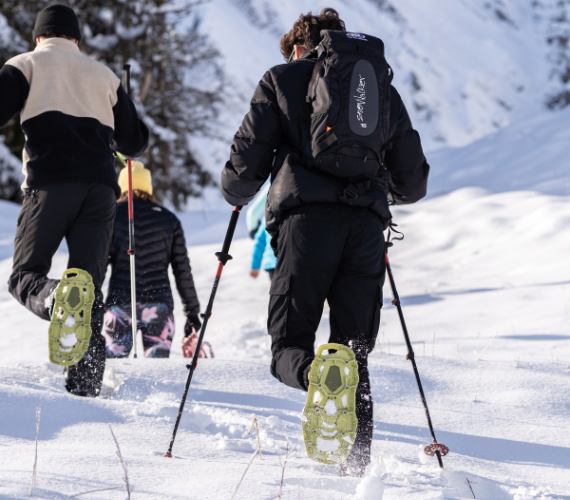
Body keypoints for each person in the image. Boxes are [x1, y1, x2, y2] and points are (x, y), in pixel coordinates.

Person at [220, 8, 429, 476]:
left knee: (288, 345)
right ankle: (356, 471)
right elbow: (412, 183)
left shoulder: (282, 78)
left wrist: (236, 189)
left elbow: (244, 171)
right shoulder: (380, 91)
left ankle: (317, 377)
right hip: (365, 231)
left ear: (299, 47)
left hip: (305, 228)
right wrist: (375, 191)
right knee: (353, 352)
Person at [0, 4, 149, 397]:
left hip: (50, 185)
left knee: (24, 277)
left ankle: (53, 298)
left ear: (38, 37)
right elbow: (135, 143)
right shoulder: (103, 75)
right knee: (88, 290)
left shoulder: (25, 64)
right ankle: (84, 387)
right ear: (77, 39)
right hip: (101, 191)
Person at [103, 161, 204, 359]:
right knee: (157, 373)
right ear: (148, 186)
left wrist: (92, 307)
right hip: (159, 306)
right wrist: (192, 313)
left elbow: (98, 264)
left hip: (121, 305)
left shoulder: (110, 216)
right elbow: (182, 269)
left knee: (115, 371)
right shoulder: (169, 219)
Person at [250, 217, 276, 281]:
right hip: (292, 261)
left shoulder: (268, 217)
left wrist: (255, 266)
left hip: (272, 263)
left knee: (278, 289)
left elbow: (259, 244)